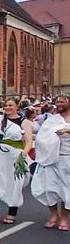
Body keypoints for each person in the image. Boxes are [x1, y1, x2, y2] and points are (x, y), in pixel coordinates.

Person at [0, 99, 33, 224]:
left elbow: (28, 142)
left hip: (15, 156)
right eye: (5, 105)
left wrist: (22, 156)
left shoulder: (25, 122)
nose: (7, 107)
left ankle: (12, 213)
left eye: (10, 105)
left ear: (17, 107)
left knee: (15, 184)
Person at [31, 93, 70, 231]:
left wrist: (67, 131)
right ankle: (54, 214)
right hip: (51, 159)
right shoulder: (52, 120)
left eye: (62, 102)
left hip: (68, 159)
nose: (59, 104)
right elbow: (42, 137)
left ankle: (65, 218)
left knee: (67, 190)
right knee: (48, 188)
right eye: (57, 102)